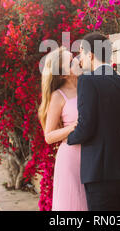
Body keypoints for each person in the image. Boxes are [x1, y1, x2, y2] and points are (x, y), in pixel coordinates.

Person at [67, 32, 120, 211]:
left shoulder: (87, 81)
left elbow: (86, 127)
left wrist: (69, 139)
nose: (79, 59)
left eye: (81, 53)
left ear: (91, 54)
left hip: (100, 173)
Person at [38, 46, 88, 211]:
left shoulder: (87, 85)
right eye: (71, 60)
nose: (76, 59)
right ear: (64, 74)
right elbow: (49, 136)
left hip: (92, 156)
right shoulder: (58, 96)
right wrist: (73, 127)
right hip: (71, 159)